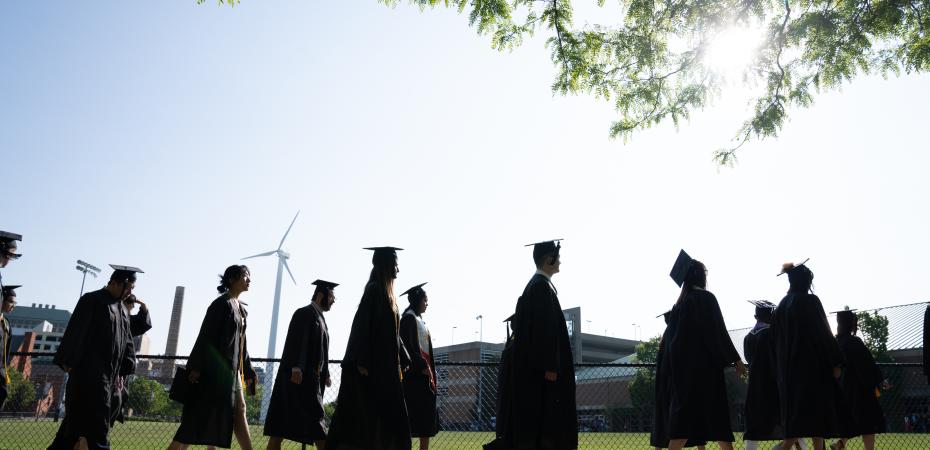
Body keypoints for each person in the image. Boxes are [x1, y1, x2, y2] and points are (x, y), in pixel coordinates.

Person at [326, 247, 412, 450]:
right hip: (371, 371)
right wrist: (362, 360)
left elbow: (393, 334)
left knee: (385, 423)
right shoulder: (375, 290)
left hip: (384, 370)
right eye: (395, 264)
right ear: (386, 265)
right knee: (367, 423)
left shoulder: (389, 298)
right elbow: (362, 326)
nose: (398, 269)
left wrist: (405, 357)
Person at [495, 239, 578, 450]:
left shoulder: (538, 285)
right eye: (557, 256)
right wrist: (550, 364)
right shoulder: (540, 287)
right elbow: (544, 328)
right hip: (542, 374)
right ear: (549, 259)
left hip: (535, 370)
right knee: (544, 426)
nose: (560, 260)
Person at [48, 265, 140, 450]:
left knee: (71, 437)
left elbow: (126, 341)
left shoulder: (121, 309)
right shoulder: (92, 300)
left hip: (108, 379)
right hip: (87, 378)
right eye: (127, 287)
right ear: (114, 282)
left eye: (132, 289)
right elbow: (75, 332)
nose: (129, 292)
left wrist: (129, 363)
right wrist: (69, 364)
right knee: (96, 434)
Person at [169, 265, 258, 450]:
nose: (249, 280)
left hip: (232, 373)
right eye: (245, 276)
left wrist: (248, 370)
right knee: (197, 420)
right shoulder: (221, 305)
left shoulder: (241, 310)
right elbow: (205, 336)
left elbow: (242, 346)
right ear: (232, 279)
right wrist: (195, 367)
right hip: (213, 373)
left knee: (239, 410)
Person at [664, 250, 746, 450]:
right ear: (701, 276)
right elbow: (719, 331)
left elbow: (671, 344)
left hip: (684, 375)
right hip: (707, 372)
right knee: (718, 420)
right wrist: (735, 359)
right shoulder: (706, 298)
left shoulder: (679, 306)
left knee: (683, 423)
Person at [772, 261, 850, 450]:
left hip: (788, 374)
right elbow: (823, 333)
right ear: (806, 282)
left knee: (800, 420)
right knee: (818, 418)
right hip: (812, 371)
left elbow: (774, 341)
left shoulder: (781, 307)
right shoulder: (810, 301)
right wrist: (836, 362)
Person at [264, 279, 339, 450]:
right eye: (332, 296)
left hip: (309, 380)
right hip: (297, 380)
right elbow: (296, 342)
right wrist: (296, 368)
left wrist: (325, 373)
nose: (334, 300)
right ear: (321, 295)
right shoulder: (304, 313)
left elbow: (320, 351)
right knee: (311, 424)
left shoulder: (320, 318)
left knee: (283, 427)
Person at [651, 309, 707, 450]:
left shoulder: (665, 336)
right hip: (677, 385)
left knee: (663, 423)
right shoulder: (677, 334)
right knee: (691, 421)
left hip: (664, 387)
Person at [831, 310, 886, 450]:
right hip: (860, 390)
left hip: (843, 390)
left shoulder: (835, 343)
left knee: (851, 422)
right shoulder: (854, 342)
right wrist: (880, 381)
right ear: (851, 324)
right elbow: (867, 364)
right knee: (868, 424)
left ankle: (840, 444)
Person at [399, 282, 439, 450]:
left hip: (423, 377)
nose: (427, 303)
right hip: (414, 377)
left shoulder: (419, 319)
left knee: (425, 420)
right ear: (417, 300)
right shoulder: (408, 318)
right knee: (411, 418)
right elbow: (408, 346)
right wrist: (422, 365)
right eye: (425, 300)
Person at [743, 300, 784, 450]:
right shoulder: (771, 334)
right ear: (771, 316)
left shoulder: (748, 337)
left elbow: (748, 359)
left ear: (755, 316)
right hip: (772, 387)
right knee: (788, 425)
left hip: (754, 388)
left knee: (753, 429)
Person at [109, 294, 153, 426]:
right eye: (130, 305)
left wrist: (144, 308)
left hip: (120, 369)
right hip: (110, 367)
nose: (131, 308)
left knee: (117, 398)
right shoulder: (113, 316)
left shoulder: (127, 320)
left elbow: (142, 324)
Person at [1, 284, 18, 410]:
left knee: (2, 394)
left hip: (0, 371)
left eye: (15, 303)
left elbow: (7, 351)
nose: (13, 306)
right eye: (11, 302)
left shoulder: (6, 324)